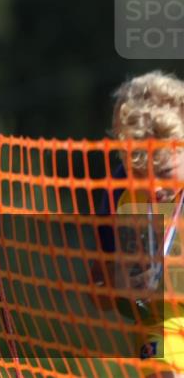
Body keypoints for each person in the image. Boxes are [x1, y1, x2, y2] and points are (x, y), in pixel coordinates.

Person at [107, 71, 184, 377]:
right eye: (139, 174)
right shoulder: (133, 201)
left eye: (164, 171)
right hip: (165, 329)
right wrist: (131, 284)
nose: (153, 189)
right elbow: (133, 300)